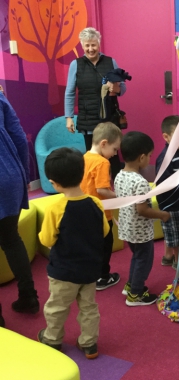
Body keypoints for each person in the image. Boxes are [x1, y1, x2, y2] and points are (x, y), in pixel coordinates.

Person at [37, 148, 109, 359]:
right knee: (89, 307)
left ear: (53, 182)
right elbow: (104, 231)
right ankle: (89, 344)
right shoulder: (95, 203)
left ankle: (52, 339)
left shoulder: (55, 207)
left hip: (63, 272)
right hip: (90, 270)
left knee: (57, 306)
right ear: (82, 173)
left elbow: (46, 240)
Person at [114, 131, 170, 306]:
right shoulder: (140, 182)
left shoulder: (119, 175)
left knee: (137, 257)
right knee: (144, 261)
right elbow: (142, 210)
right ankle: (135, 294)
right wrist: (162, 215)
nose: (150, 160)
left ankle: (131, 285)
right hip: (140, 232)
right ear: (142, 157)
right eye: (150, 156)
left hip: (127, 228)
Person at [64, 27, 127, 180]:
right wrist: (69, 117)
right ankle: (95, 189)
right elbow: (70, 92)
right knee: (93, 157)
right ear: (82, 45)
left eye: (94, 45)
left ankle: (118, 189)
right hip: (88, 118)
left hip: (109, 117)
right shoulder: (75, 64)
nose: (90, 49)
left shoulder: (110, 62)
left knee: (112, 155)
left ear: (99, 44)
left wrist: (117, 88)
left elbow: (123, 88)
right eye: (87, 45)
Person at [0, 88, 39, 328]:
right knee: (12, 239)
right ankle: (29, 296)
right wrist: (23, 173)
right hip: (9, 175)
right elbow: (18, 136)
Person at [80, 122, 122, 291]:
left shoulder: (84, 157)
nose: (115, 154)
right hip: (101, 214)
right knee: (105, 246)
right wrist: (120, 197)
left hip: (86, 211)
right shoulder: (102, 163)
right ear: (104, 143)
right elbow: (102, 190)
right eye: (114, 149)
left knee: (91, 246)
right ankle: (103, 277)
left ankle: (90, 274)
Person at [155, 115, 179, 269]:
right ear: (166, 137)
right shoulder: (166, 158)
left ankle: (168, 257)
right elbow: (165, 184)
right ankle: (178, 261)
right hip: (171, 204)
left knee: (174, 231)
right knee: (176, 236)